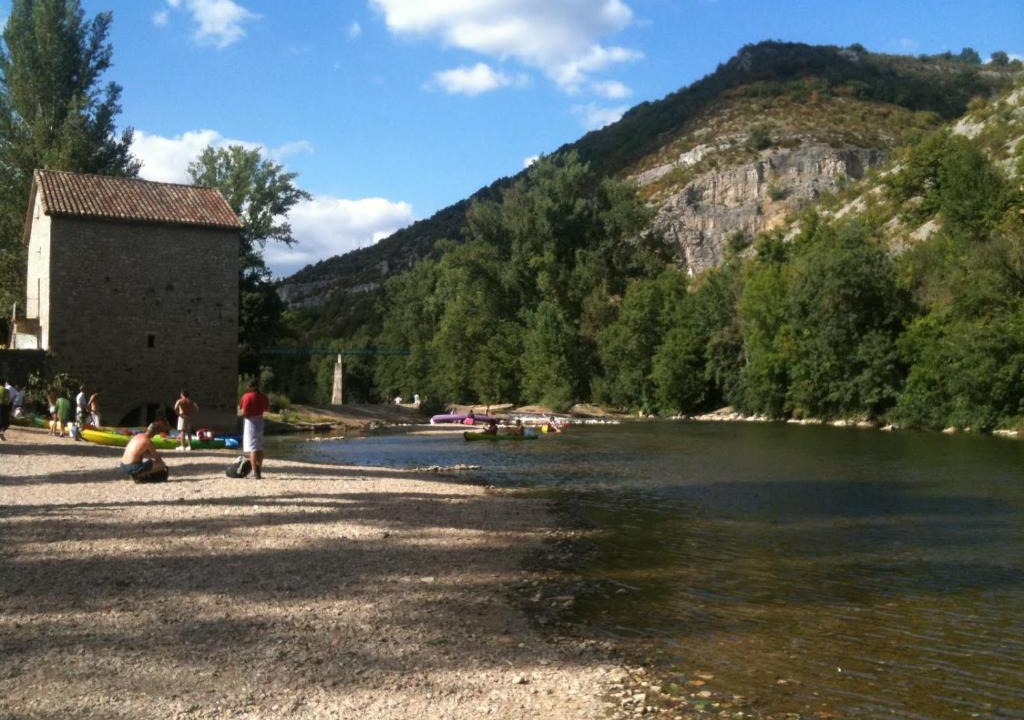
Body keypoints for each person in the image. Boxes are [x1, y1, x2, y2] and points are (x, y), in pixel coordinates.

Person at [239, 380, 270, 479]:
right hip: (260, 421)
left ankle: (254, 472)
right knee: (259, 447)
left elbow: (243, 412)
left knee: (252, 447)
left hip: (250, 422)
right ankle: (259, 470)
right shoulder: (263, 396)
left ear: (250, 386)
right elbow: (266, 409)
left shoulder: (247, 396)